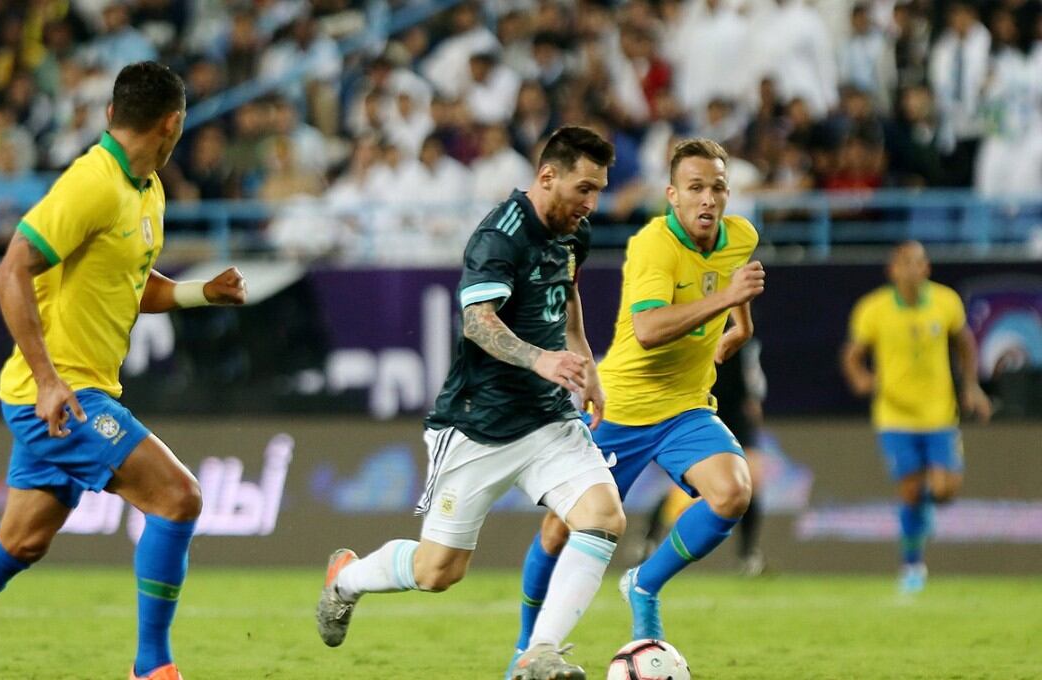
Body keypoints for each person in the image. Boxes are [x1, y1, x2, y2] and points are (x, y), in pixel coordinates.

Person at [0, 61, 248, 680]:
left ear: (111, 114)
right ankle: (153, 668)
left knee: (21, 541)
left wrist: (200, 292)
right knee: (179, 498)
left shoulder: (147, 190)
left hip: (72, 390)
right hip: (63, 396)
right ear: (174, 123)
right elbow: (10, 269)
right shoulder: (90, 184)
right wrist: (48, 379)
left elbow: (131, 283)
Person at [315, 126, 623, 680]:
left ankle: (540, 652)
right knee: (439, 571)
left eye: (599, 189)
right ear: (547, 176)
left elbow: (567, 297)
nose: (591, 203)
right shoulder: (498, 237)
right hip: (478, 424)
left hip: (549, 418)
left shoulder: (575, 232)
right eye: (584, 188)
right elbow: (478, 322)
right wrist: (541, 360)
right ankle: (347, 577)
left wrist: (586, 367)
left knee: (603, 516)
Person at [508, 138, 765, 670]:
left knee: (733, 493)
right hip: (621, 409)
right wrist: (728, 301)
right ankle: (526, 649)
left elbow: (736, 287)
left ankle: (643, 586)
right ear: (672, 194)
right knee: (559, 531)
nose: (708, 199)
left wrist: (739, 328)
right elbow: (648, 330)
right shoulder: (653, 245)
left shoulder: (741, 236)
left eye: (717, 188)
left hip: (686, 408)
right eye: (695, 188)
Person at [842, 241, 991, 594]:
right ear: (892, 270)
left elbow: (964, 343)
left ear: (926, 269)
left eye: (918, 262)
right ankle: (912, 564)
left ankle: (924, 512)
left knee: (944, 490)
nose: (912, 269)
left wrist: (971, 386)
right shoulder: (873, 309)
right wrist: (860, 377)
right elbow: (853, 353)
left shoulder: (946, 302)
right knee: (909, 489)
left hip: (939, 414)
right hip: (895, 415)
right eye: (905, 263)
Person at [633, 341, 769, 577]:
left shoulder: (740, 318)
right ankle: (650, 538)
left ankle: (748, 555)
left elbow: (749, 360)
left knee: (750, 480)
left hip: (737, 409)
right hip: (701, 404)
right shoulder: (694, 312)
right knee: (692, 484)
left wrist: (754, 397)